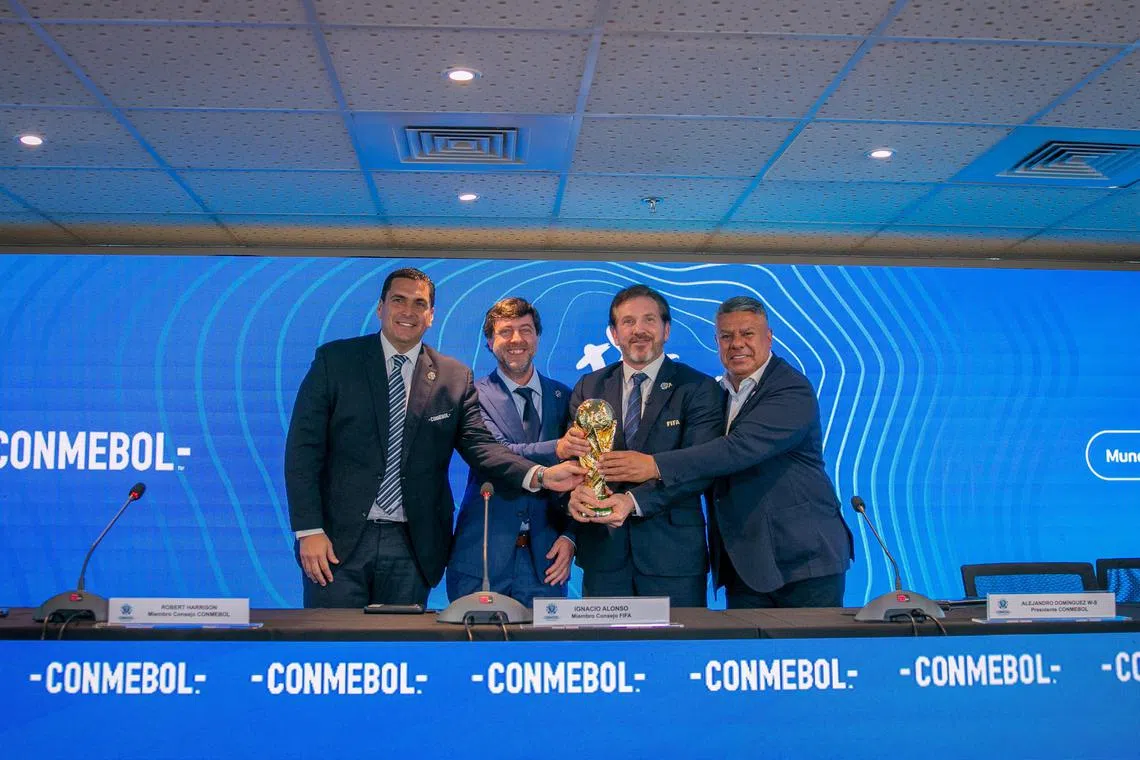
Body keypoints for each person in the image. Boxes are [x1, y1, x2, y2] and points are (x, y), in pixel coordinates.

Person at [284, 268, 581, 608]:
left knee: (403, 653)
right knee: (332, 651)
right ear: (380, 308)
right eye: (399, 300)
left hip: (413, 547)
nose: (408, 311)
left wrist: (539, 475)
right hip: (336, 543)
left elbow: (481, 447)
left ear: (431, 316)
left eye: (419, 303)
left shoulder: (453, 377)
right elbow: (302, 452)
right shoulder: (335, 361)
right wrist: (309, 530)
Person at [599, 295, 854, 608]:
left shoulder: (791, 389)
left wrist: (653, 465)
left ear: (769, 337)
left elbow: (737, 449)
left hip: (802, 561)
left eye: (747, 334)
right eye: (726, 336)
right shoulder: (716, 392)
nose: (737, 344)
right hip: (745, 564)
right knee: (750, 658)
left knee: (809, 658)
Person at [567, 284, 723, 607]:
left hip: (673, 560)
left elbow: (700, 469)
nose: (638, 330)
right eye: (627, 322)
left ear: (666, 330)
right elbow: (578, 464)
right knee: (607, 654)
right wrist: (576, 494)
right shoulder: (589, 387)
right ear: (614, 334)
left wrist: (632, 501)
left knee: (676, 657)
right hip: (604, 558)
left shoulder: (699, 388)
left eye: (649, 320)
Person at [447, 297, 587, 608]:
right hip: (481, 558)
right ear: (489, 341)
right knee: (475, 654)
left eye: (525, 330)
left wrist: (571, 538)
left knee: (544, 656)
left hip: (547, 561)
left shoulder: (565, 396)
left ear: (537, 337)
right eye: (505, 331)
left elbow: (585, 474)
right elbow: (495, 452)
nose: (516, 340)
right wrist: (558, 448)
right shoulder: (471, 395)